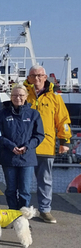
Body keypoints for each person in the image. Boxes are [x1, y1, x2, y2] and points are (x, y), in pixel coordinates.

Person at [24, 65, 72, 223]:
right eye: (32, 76)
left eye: (39, 75)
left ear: (45, 77)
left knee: (45, 180)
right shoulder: (23, 94)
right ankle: (21, 209)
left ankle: (45, 210)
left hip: (46, 144)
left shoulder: (55, 97)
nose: (36, 79)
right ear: (28, 78)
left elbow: (63, 120)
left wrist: (64, 141)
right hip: (25, 145)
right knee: (22, 180)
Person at [0, 84, 45, 210]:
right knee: (11, 189)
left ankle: (23, 217)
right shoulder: (2, 114)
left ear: (26, 97)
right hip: (9, 157)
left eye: (21, 95)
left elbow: (39, 135)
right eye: (15, 95)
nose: (18, 98)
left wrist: (27, 147)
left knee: (25, 190)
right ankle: (13, 214)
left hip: (27, 158)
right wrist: (11, 146)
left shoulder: (34, 114)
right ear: (11, 96)